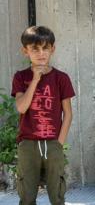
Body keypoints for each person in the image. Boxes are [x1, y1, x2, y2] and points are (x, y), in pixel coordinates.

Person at [12, 26, 75, 205]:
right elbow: (22, 107)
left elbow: (68, 114)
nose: (41, 54)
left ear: (52, 49)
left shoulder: (61, 78)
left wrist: (59, 143)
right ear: (26, 51)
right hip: (28, 144)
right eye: (35, 49)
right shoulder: (20, 77)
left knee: (57, 195)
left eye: (45, 48)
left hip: (53, 143)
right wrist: (35, 80)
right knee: (27, 195)